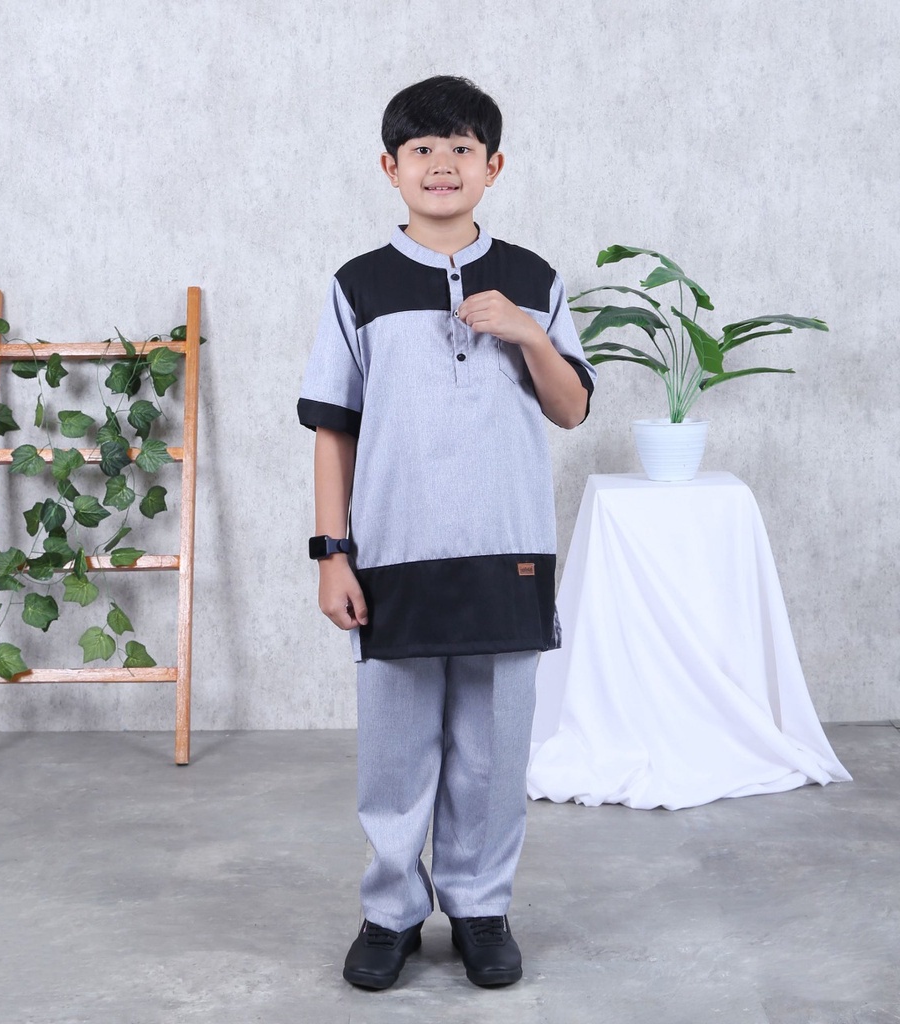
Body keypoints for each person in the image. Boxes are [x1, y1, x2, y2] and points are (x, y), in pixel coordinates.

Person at [297, 75, 596, 990]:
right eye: (421, 149)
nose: (441, 164)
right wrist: (332, 554)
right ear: (390, 167)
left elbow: (572, 408)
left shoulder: (535, 278)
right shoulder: (359, 284)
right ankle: (390, 911)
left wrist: (528, 335)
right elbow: (333, 430)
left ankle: (480, 906)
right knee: (395, 750)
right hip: (394, 556)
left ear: (492, 166)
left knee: (494, 749)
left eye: (462, 147)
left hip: (510, 550)